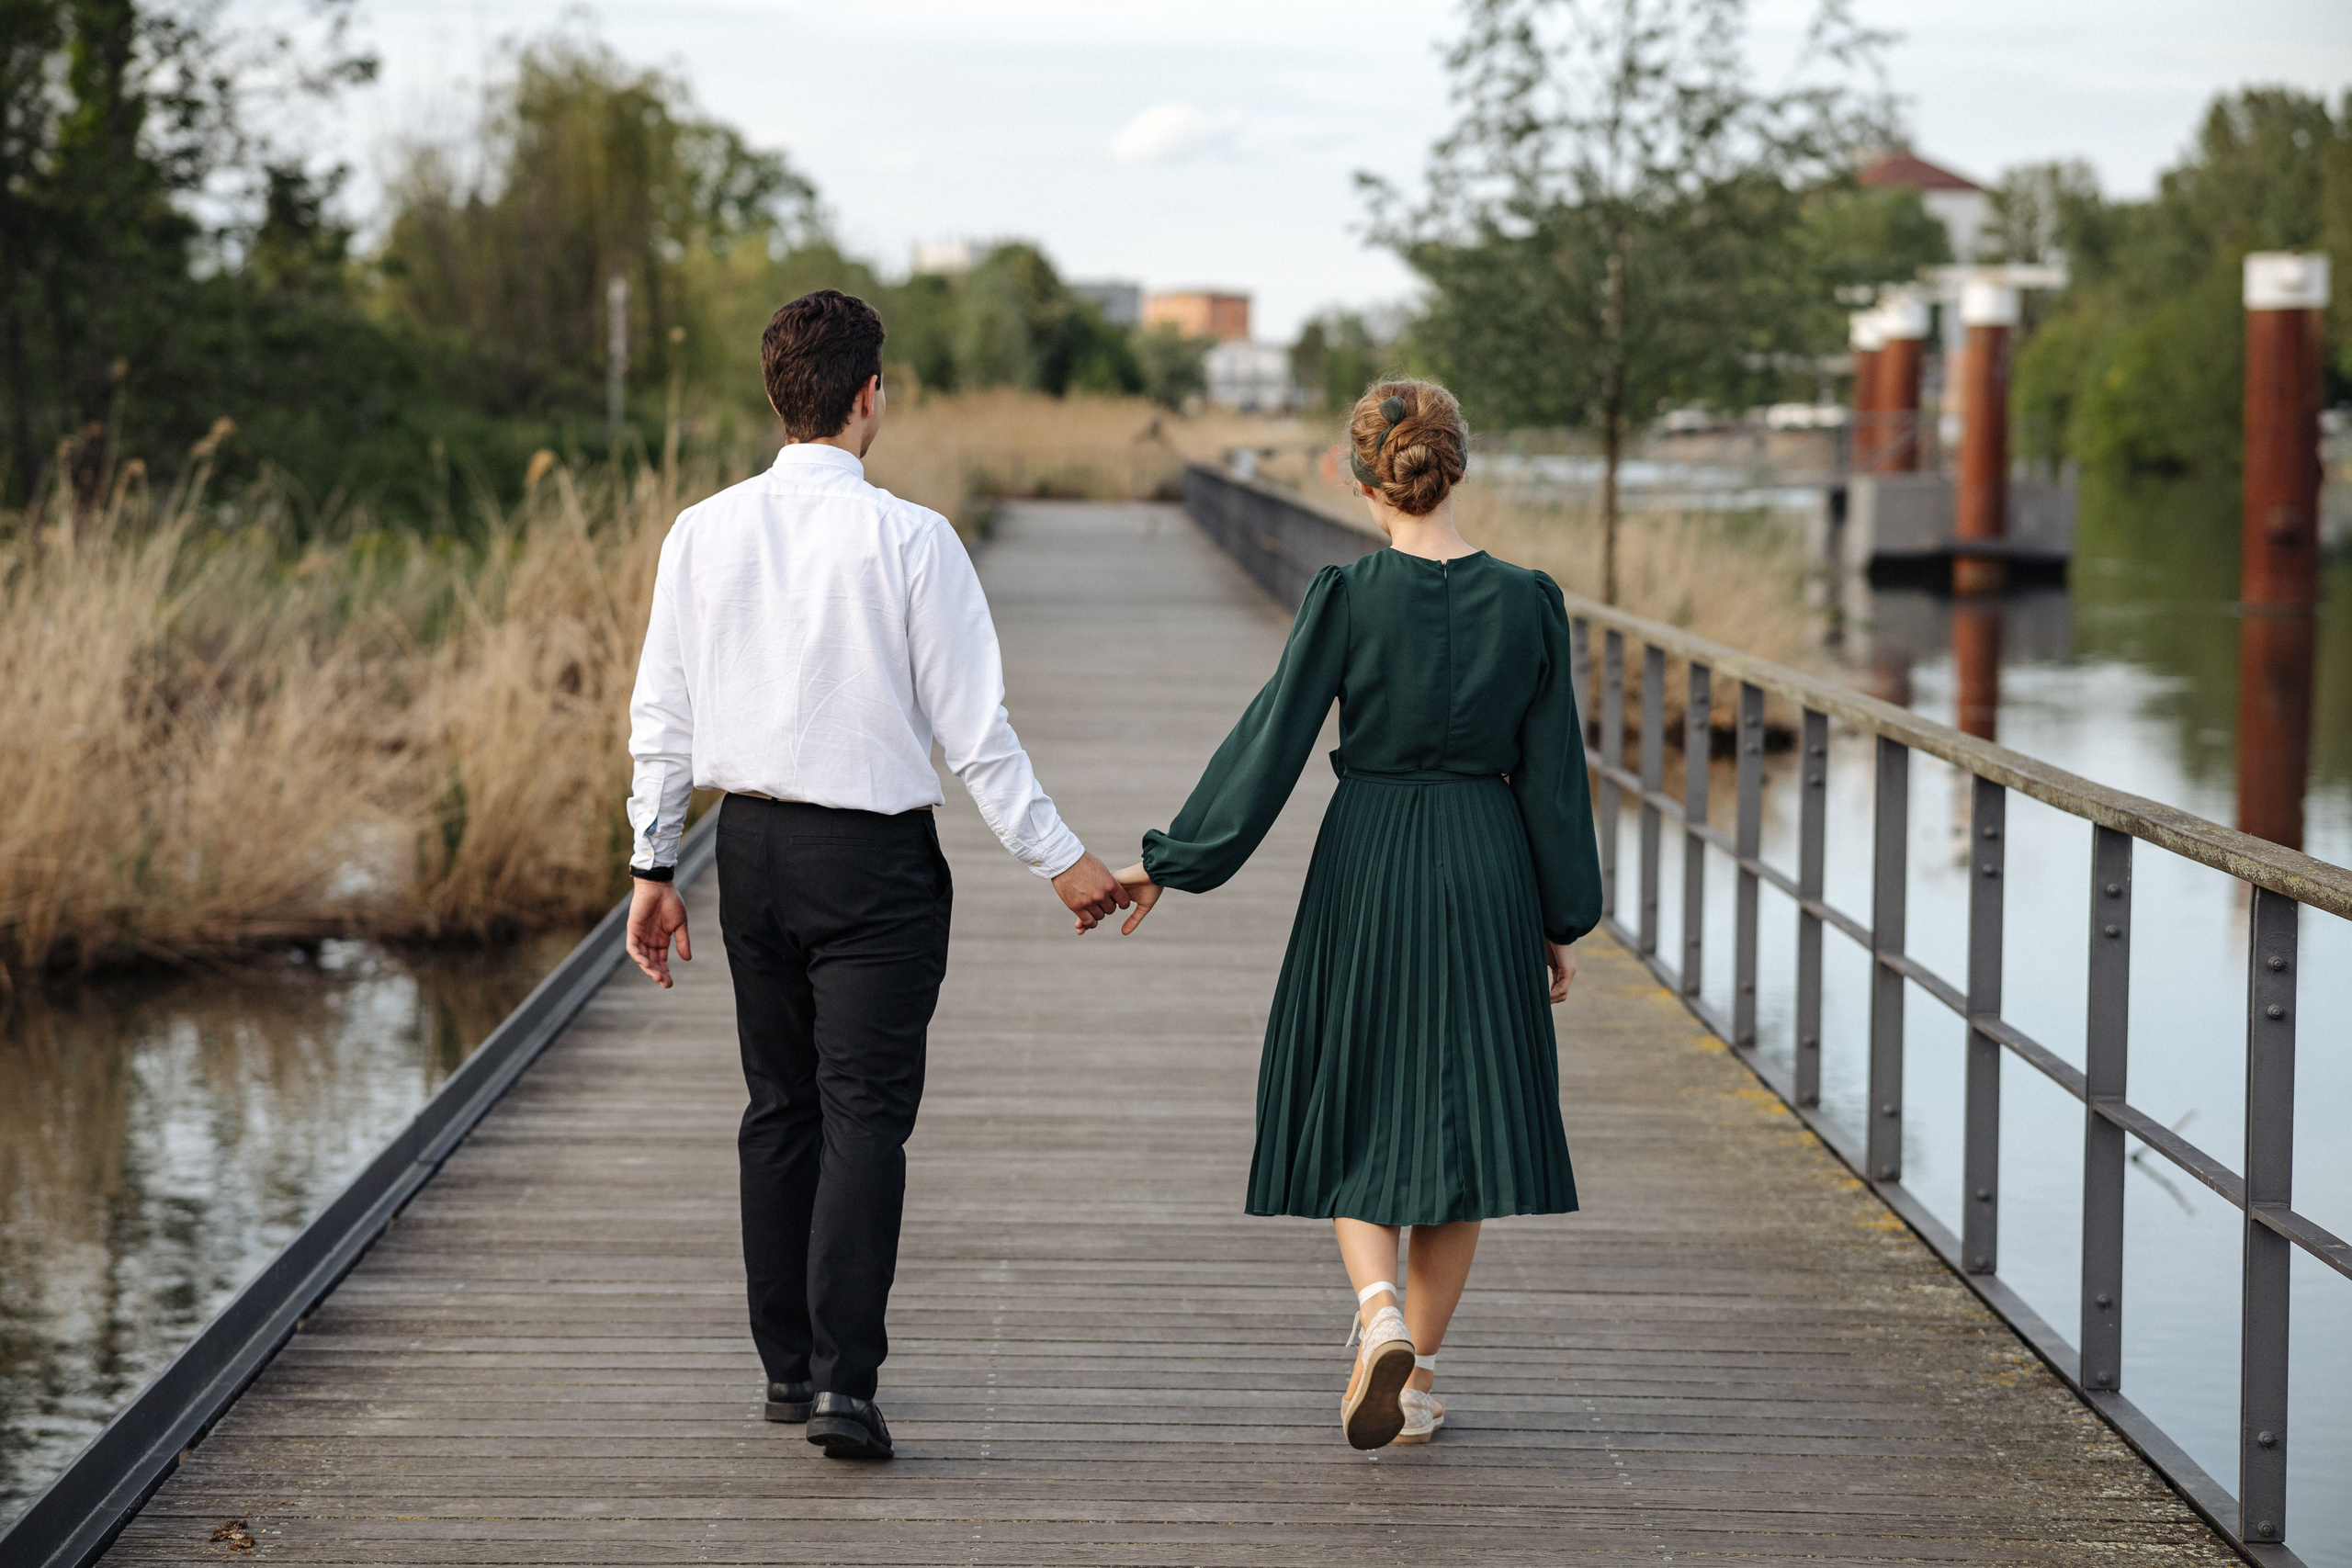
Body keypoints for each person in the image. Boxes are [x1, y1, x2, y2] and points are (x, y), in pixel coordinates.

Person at [620, 288, 1130, 1461]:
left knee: (779, 1107)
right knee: (862, 1118)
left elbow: (663, 718)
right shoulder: (912, 539)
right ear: (868, 397)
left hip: (748, 852)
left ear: (776, 397)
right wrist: (1059, 859)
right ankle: (844, 1387)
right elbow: (975, 732)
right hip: (871, 866)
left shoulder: (701, 530)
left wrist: (654, 862)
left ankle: (786, 1370)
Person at [1115, 379, 1601, 1450]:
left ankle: (1377, 1311)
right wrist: (1559, 915)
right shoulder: (1529, 601)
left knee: (1353, 1095)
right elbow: (1553, 778)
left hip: (1370, 857)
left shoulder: (1344, 594)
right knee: (1464, 1126)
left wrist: (1173, 861)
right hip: (1486, 863)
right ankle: (1415, 1381)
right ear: (1456, 466)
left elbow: (1271, 741)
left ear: (1359, 477)